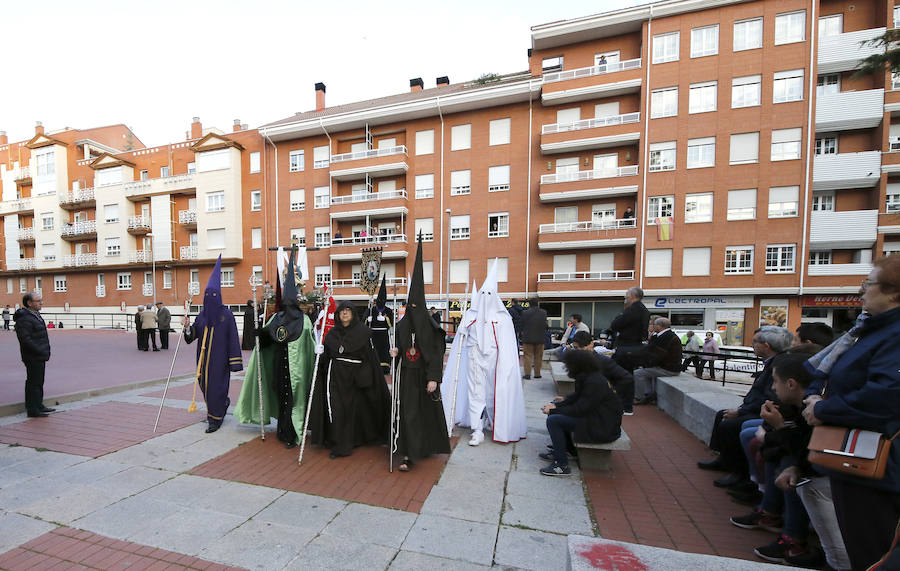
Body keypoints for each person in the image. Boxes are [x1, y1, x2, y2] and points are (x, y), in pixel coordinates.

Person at [801, 255, 900, 570]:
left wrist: (824, 409)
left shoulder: (893, 334)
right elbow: (826, 372)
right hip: (856, 459)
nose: (861, 292)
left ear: (893, 293)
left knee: (874, 551)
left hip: (878, 465)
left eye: (868, 284)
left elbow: (886, 395)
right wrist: (814, 397)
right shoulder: (868, 329)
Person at [442, 259, 527, 446]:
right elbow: (461, 339)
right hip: (474, 358)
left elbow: (508, 346)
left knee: (494, 393)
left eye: (490, 293)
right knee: (476, 393)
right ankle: (477, 429)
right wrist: (463, 330)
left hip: (496, 361)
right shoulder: (470, 315)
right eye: (484, 293)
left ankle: (497, 423)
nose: (487, 297)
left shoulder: (503, 318)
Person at [698, 326, 793, 489]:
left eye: (756, 342)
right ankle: (724, 459)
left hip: (762, 412)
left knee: (731, 425)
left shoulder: (778, 365)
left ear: (767, 345)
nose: (752, 345)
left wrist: (741, 411)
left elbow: (768, 397)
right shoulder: (772, 362)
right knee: (722, 415)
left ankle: (740, 472)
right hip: (754, 408)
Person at [236, 259, 315, 448]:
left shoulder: (304, 320)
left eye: (290, 303)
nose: (287, 307)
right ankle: (283, 429)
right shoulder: (277, 318)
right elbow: (268, 338)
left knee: (295, 398)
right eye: (284, 304)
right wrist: (259, 334)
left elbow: (309, 344)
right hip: (280, 365)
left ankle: (293, 432)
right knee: (282, 396)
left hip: (297, 368)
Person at [388, 236, 451, 471]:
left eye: (417, 307)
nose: (413, 311)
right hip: (406, 376)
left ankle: (421, 447)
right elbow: (396, 349)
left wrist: (434, 377)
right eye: (410, 307)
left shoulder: (431, 328)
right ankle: (407, 454)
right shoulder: (402, 325)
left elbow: (436, 353)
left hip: (424, 377)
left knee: (423, 415)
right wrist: (394, 353)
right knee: (407, 414)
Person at [307, 300, 391, 458]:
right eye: (341, 311)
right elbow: (326, 358)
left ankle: (352, 440)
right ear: (338, 315)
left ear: (353, 314)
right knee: (336, 410)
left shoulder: (363, 332)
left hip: (355, 377)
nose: (344, 313)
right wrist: (319, 354)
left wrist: (365, 377)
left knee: (352, 411)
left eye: (348, 310)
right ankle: (339, 445)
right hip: (335, 376)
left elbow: (369, 357)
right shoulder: (332, 333)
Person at [183, 256, 243, 433]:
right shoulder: (202, 316)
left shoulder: (227, 316)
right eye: (207, 295)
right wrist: (187, 327)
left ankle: (215, 419)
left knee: (216, 387)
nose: (210, 298)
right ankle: (220, 406)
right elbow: (193, 334)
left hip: (219, 361)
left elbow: (233, 338)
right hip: (202, 361)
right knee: (204, 385)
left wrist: (235, 362)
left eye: (213, 295)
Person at [539, 349, 623, 476]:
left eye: (568, 364)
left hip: (602, 426)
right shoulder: (588, 376)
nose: (566, 367)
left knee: (554, 420)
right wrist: (560, 403)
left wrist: (554, 409)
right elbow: (578, 397)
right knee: (557, 413)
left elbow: (580, 409)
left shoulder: (594, 381)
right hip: (596, 418)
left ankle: (561, 465)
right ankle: (567, 449)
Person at [571, 330, 634, 415]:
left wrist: (610, 393)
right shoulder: (579, 361)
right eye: (576, 348)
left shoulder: (603, 361)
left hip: (598, 408)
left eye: (582, 347)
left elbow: (627, 378)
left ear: (591, 344)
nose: (579, 350)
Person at [14, 292, 55, 418]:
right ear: (29, 303)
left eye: (41, 300)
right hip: (32, 356)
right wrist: (39, 350)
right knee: (33, 382)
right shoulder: (25, 318)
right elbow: (25, 339)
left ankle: (38, 405)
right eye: (38, 301)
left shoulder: (34, 315)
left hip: (39, 355)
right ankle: (32, 409)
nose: (41, 303)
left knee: (39, 381)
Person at [632, 317, 682, 405]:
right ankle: (649, 395)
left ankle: (639, 397)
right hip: (667, 366)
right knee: (645, 371)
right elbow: (651, 350)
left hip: (668, 369)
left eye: (653, 324)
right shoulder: (664, 335)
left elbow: (657, 355)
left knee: (637, 373)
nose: (652, 326)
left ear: (659, 326)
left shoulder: (666, 337)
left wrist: (644, 363)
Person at [610, 287, 650, 376]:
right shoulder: (644, 310)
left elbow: (615, 324)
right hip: (635, 347)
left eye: (626, 296)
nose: (625, 298)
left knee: (621, 375)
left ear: (632, 296)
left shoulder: (632, 310)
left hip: (626, 348)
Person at [363, 276, 393, 374]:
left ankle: (385, 368)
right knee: (373, 350)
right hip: (373, 334)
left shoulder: (388, 311)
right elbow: (363, 322)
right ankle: (373, 367)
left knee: (384, 351)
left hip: (384, 335)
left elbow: (392, 324)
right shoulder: (371, 310)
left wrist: (386, 319)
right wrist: (368, 319)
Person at [519, 298, 548, 380]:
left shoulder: (525, 313)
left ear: (529, 304)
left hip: (528, 338)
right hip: (540, 338)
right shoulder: (543, 312)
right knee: (538, 356)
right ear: (538, 303)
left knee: (527, 356)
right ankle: (537, 374)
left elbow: (522, 324)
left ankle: (527, 374)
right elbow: (545, 325)